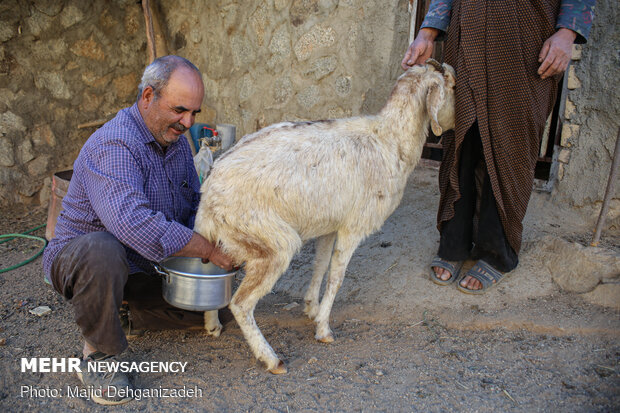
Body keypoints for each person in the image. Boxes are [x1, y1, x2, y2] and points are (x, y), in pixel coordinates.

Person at [42, 55, 234, 405]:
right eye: (180, 110)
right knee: (103, 250)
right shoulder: (115, 144)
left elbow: (194, 206)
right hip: (83, 261)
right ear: (148, 97)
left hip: (141, 263)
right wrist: (206, 250)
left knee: (220, 310)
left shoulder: (175, 142)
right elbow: (133, 224)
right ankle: (96, 355)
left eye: (194, 113)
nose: (188, 122)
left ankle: (125, 311)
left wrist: (227, 240)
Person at [401, 1, 595, 293]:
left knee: (512, 141)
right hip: (468, 33)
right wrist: (427, 32)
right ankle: (455, 241)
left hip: (526, 37)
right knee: (462, 135)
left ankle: (496, 250)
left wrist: (567, 32)